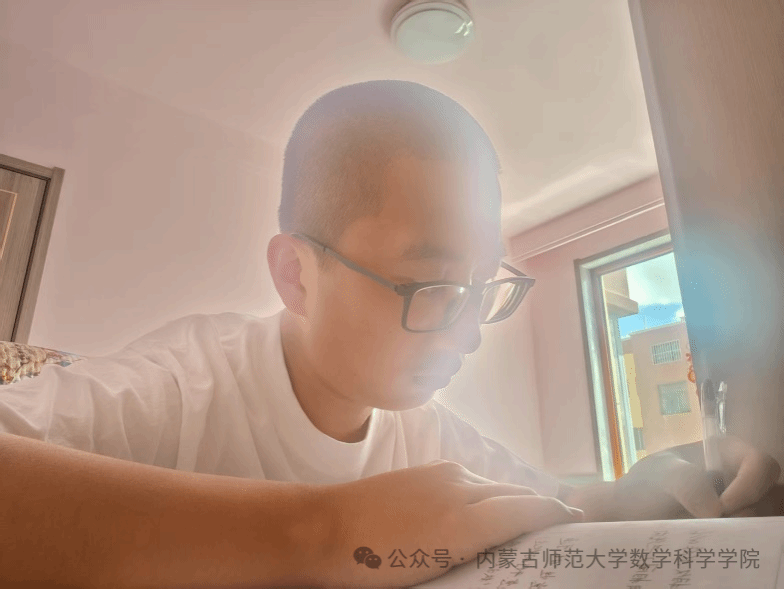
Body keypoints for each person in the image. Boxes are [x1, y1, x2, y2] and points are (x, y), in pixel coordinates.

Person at [0, 80, 780, 589]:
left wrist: (647, 486)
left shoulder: (421, 428)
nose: (469, 337)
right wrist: (327, 530)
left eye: (482, 289)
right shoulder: (183, 386)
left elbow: (549, 496)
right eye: (433, 286)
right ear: (297, 275)